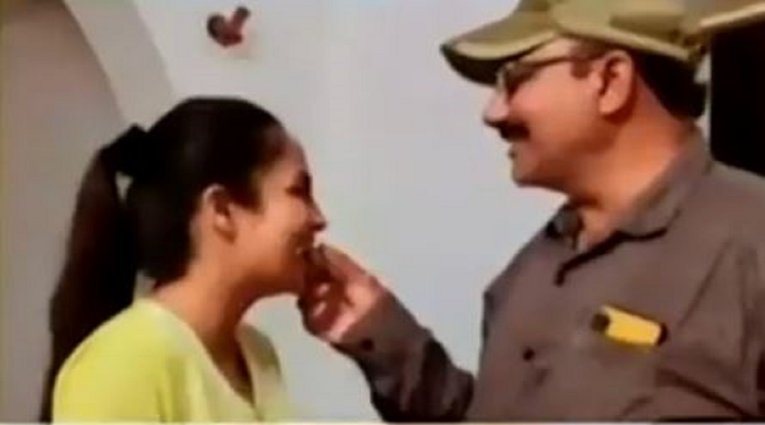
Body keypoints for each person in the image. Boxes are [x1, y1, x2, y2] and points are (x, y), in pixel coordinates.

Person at [298, 0, 765, 420]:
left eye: (516, 79)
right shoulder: (529, 273)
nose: (493, 112)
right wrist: (383, 337)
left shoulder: (751, 244)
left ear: (610, 80)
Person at [39, 97, 327, 422]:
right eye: (299, 192)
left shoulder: (258, 353)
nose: (319, 219)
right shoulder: (121, 365)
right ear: (221, 209)